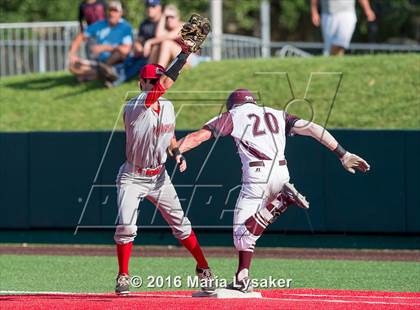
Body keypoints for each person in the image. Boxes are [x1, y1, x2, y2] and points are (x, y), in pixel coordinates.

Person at [177, 89, 370, 292]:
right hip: (282, 173)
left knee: (241, 236)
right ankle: (242, 277)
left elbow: (198, 137)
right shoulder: (277, 114)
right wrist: (343, 154)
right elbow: (313, 128)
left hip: (257, 176)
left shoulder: (233, 115)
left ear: (233, 105)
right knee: (248, 234)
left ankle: (283, 201)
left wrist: (172, 151)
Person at [113, 32, 214, 295]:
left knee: (181, 224)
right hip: (133, 176)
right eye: (150, 81)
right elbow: (165, 86)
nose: (154, 84)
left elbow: (170, 137)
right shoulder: (135, 105)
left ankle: (203, 267)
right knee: (126, 226)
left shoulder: (167, 107)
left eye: (156, 80)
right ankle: (123, 275)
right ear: (141, 84)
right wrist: (184, 54)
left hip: (159, 177)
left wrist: (177, 153)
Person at [68, 1, 133, 82]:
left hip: (117, 61)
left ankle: (97, 74)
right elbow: (81, 36)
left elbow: (126, 50)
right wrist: (72, 54)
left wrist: (105, 48)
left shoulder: (126, 27)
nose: (112, 13)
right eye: (110, 10)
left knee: (118, 53)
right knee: (73, 67)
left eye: (115, 11)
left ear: (121, 13)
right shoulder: (100, 24)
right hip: (99, 61)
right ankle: (102, 74)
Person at [311, 0, 376, 55]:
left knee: (340, 43)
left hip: (347, 13)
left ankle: (332, 63)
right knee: (329, 47)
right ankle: (333, 66)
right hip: (328, 14)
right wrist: (314, 12)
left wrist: (367, 9)